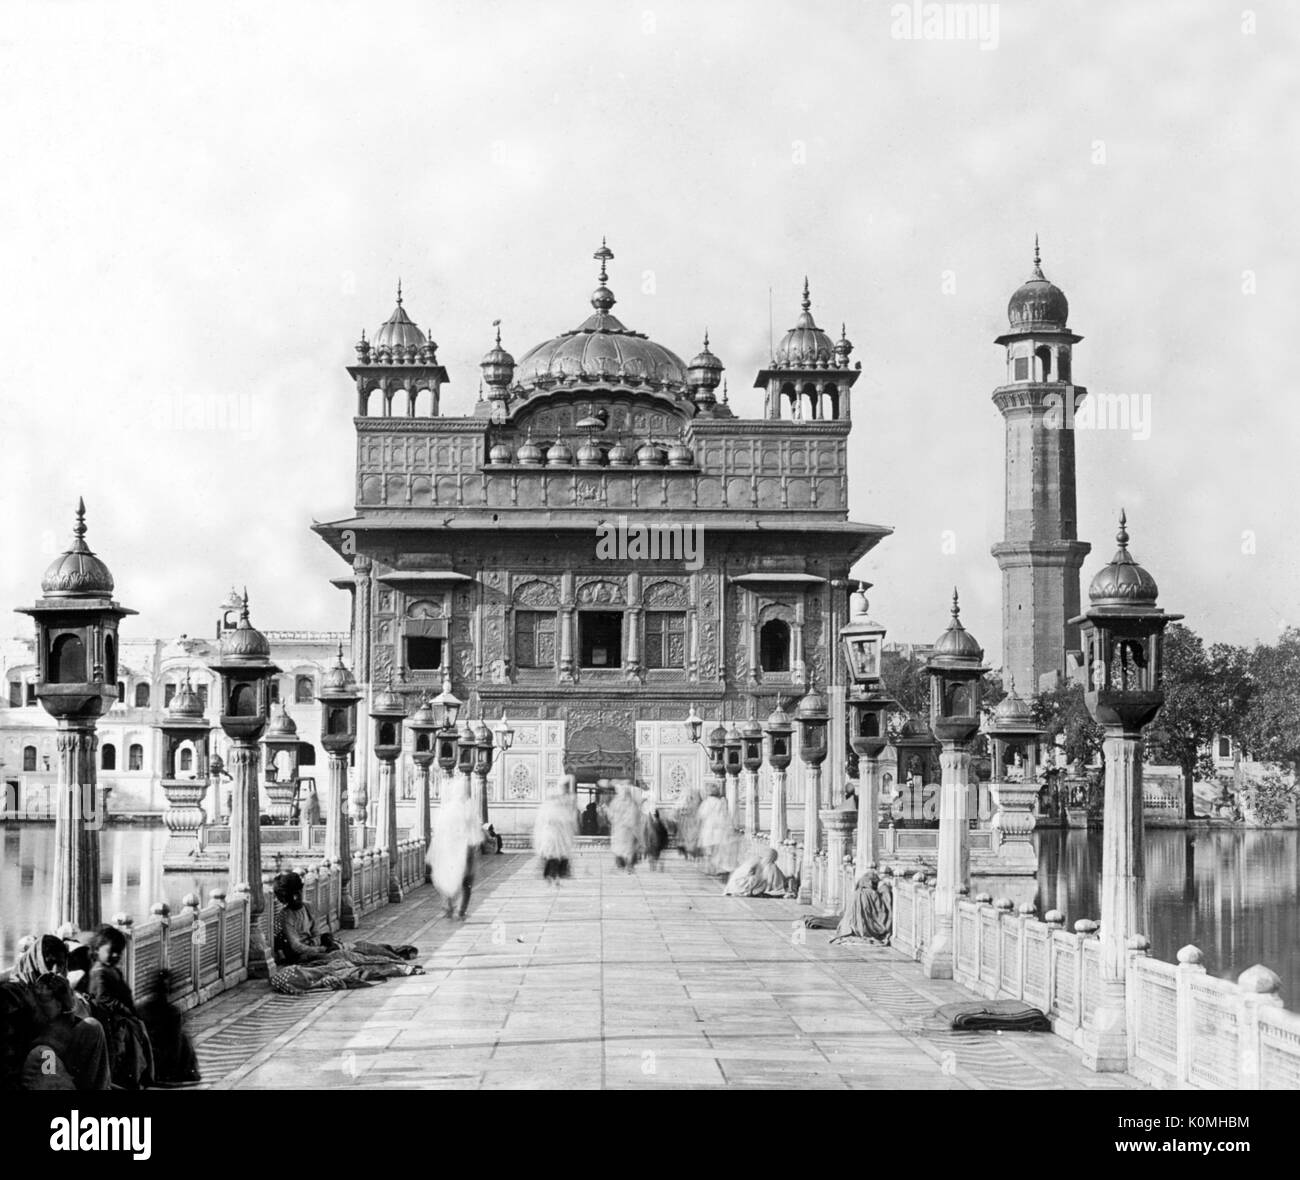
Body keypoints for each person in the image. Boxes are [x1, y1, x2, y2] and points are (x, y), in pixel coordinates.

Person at [269, 872, 421, 994]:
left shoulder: (308, 907)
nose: (297, 898)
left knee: (359, 946)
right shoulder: (285, 915)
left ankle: (396, 955)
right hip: (304, 955)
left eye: (298, 893)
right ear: (286, 898)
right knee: (346, 958)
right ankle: (395, 966)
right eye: (293, 896)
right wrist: (321, 948)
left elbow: (316, 933)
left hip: (317, 945)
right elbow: (296, 946)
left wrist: (324, 941)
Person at [87, 925, 155, 1089]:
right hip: (110, 1020)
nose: (116, 955)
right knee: (125, 1048)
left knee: (137, 1041)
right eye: (111, 951)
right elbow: (103, 998)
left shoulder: (111, 970)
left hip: (121, 1017)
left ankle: (136, 1078)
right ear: (97, 950)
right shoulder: (99, 972)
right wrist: (125, 1010)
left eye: (119, 952)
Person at [23, 974, 111, 1091]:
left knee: (92, 1027)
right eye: (40, 999)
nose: (39, 1005)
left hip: (62, 1069)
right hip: (46, 1066)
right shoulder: (43, 1051)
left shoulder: (66, 1018)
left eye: (45, 1000)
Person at [135, 970, 201, 1086]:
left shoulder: (142, 1009)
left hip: (149, 1064)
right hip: (158, 1064)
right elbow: (176, 1046)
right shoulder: (171, 1013)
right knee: (184, 1039)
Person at [430, 787, 484, 920]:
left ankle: (448, 907)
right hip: (466, 849)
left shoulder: (446, 810)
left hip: (450, 850)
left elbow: (438, 831)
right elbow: (476, 831)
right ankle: (461, 910)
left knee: (449, 878)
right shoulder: (468, 810)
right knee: (467, 881)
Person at [831, 871, 893, 944]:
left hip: (849, 927)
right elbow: (881, 911)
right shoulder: (872, 893)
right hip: (866, 928)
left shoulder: (856, 893)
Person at [534, 784, 578, 885]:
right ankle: (553, 877)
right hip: (552, 837)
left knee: (555, 857)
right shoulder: (551, 808)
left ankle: (553, 877)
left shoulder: (552, 808)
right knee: (554, 857)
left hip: (555, 837)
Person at [723, 848, 795, 898]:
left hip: (735, 884)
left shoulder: (762, 861)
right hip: (741, 882)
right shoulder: (766, 864)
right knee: (759, 881)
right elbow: (749, 872)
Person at [609, 780, 644, 872]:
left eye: (623, 791)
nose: (622, 793)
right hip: (619, 831)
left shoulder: (631, 803)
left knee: (629, 849)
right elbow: (611, 815)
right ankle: (623, 864)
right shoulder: (615, 802)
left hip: (628, 831)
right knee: (621, 849)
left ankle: (629, 865)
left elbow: (634, 816)